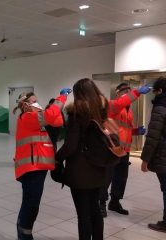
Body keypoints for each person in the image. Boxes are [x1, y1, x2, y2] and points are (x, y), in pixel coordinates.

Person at [56, 78, 110, 240]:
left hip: (80, 171)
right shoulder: (102, 109)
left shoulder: (77, 112)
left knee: (83, 215)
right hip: (100, 168)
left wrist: (57, 157)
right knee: (95, 210)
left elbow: (71, 145)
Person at [13, 88, 70, 240]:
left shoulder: (35, 117)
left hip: (38, 167)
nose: (37, 103)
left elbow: (57, 121)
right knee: (32, 204)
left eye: (37, 101)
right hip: (31, 168)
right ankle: (25, 234)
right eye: (33, 102)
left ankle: (22, 231)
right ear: (24, 105)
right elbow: (51, 116)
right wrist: (62, 97)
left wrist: (52, 107)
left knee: (29, 202)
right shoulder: (28, 117)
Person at [99, 82, 150, 217]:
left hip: (124, 151)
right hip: (112, 149)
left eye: (129, 91)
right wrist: (137, 92)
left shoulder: (129, 111)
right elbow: (124, 101)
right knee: (107, 177)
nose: (127, 93)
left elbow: (124, 129)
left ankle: (114, 202)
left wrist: (135, 131)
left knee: (121, 178)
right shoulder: (112, 105)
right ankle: (101, 203)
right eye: (125, 91)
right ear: (118, 93)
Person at [140, 77, 166, 233]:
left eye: (155, 92)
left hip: (164, 158)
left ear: (160, 91)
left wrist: (145, 160)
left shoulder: (160, 109)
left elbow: (153, 138)